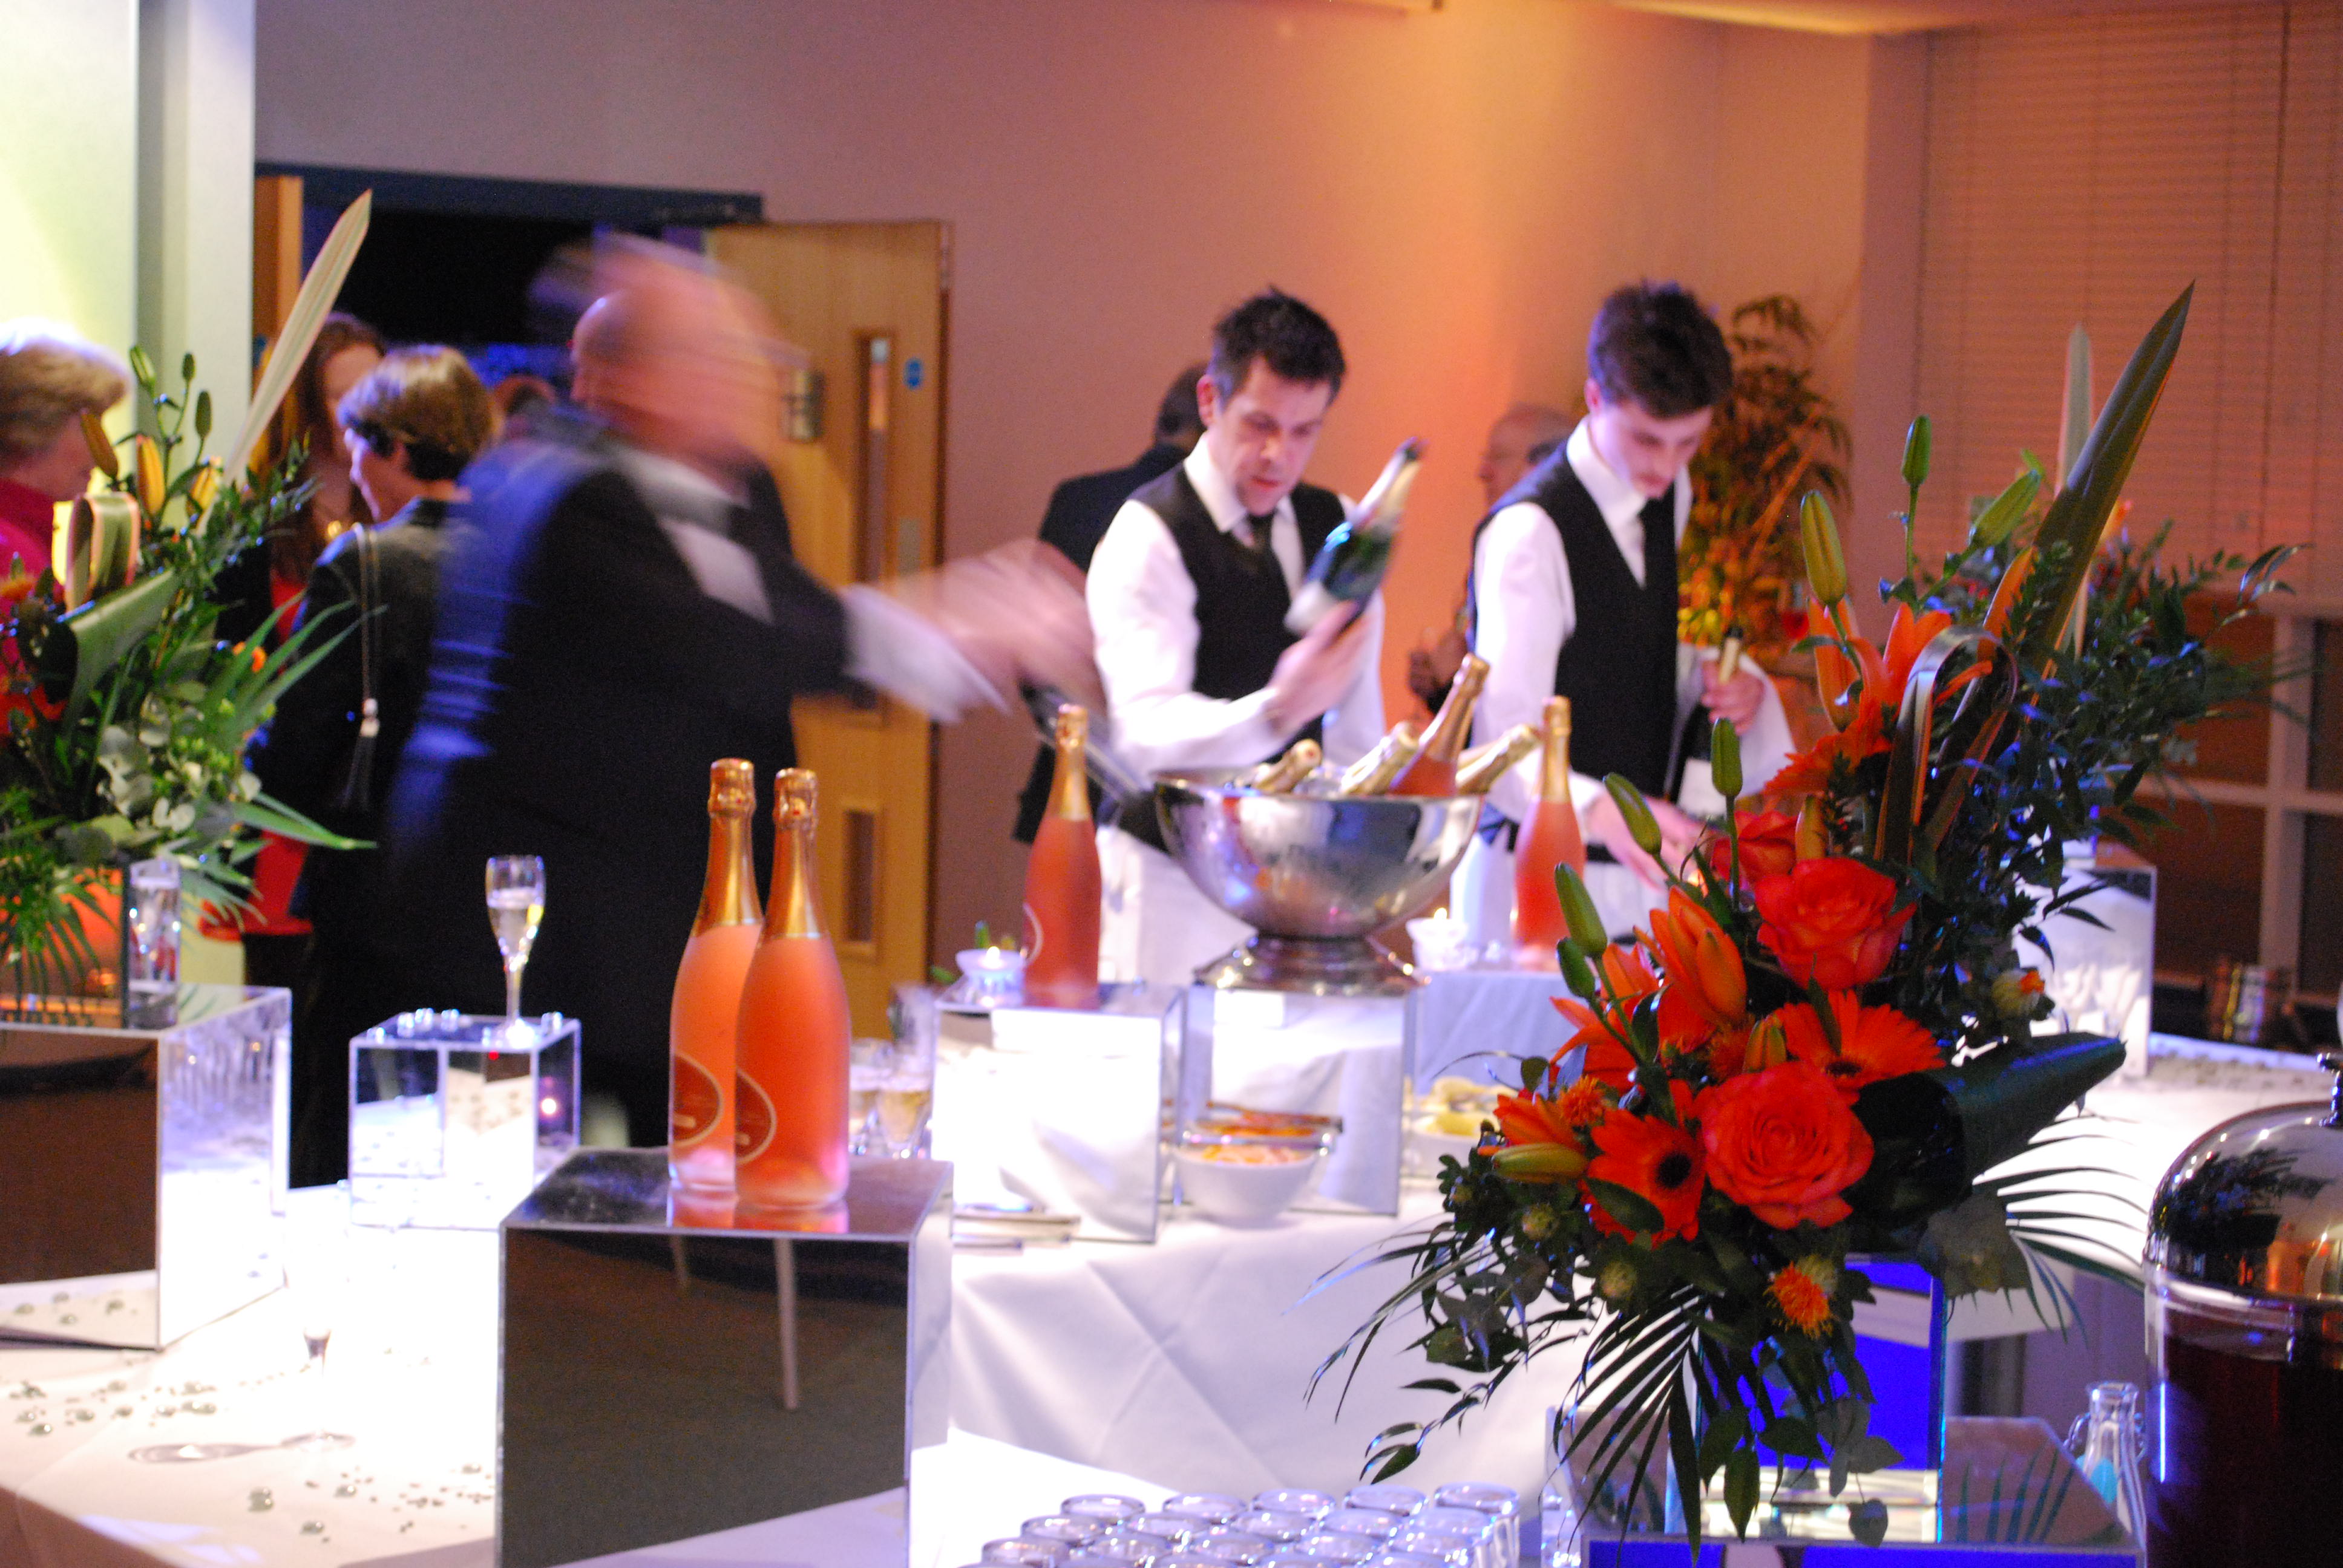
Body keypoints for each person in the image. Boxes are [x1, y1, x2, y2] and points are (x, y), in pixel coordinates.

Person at [379, 241, 1095, 1147]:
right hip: (540, 934)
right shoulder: (558, 493)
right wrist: (956, 624)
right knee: (539, 1194)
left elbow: (792, 618)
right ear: (640, 379)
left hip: (672, 912)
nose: (756, 380)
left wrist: (960, 627)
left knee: (701, 1162)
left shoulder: (744, 486)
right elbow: (722, 647)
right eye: (725, 358)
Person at [1455, 283, 1794, 948]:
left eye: (1687, 442)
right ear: (1593, 399)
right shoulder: (1529, 535)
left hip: (1636, 878)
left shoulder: (1670, 490)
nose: (1665, 465)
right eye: (1645, 439)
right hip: (1532, 880)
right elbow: (1503, 750)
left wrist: (1727, 685)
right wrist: (1606, 811)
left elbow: (1619, 647)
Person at [1086, 289, 1381, 986]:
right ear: (1210, 401)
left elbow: (1353, 730)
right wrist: (1273, 713)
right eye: (1259, 424)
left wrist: (1351, 864)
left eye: (1304, 431)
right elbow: (1143, 735)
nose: (1278, 454)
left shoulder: (1337, 523)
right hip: (1168, 881)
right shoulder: (1147, 535)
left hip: (1296, 882)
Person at [252, 347, 497, 1186]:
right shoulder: (523, 565)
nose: (353, 467)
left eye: (359, 444)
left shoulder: (363, 563)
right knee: (474, 1143)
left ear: (394, 445)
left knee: (348, 1141)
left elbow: (297, 751)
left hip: (374, 904)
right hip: (491, 905)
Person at [1011, 363, 1206, 845]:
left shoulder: (1077, 499)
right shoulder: (1208, 519)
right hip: (1171, 805)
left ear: (1159, 422)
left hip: (1067, 779)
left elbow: (1031, 665)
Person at [1406, 402, 1573, 711]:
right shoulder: (1496, 545)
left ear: (1542, 465)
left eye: (1499, 457)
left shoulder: (1550, 561)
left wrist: (1453, 681)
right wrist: (1439, 690)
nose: (1482, 473)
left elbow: (1518, 702)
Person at [0, 319, 128, 581]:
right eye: (91, 425)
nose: (102, 449)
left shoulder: (22, 542)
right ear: (35, 424)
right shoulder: (10, 554)